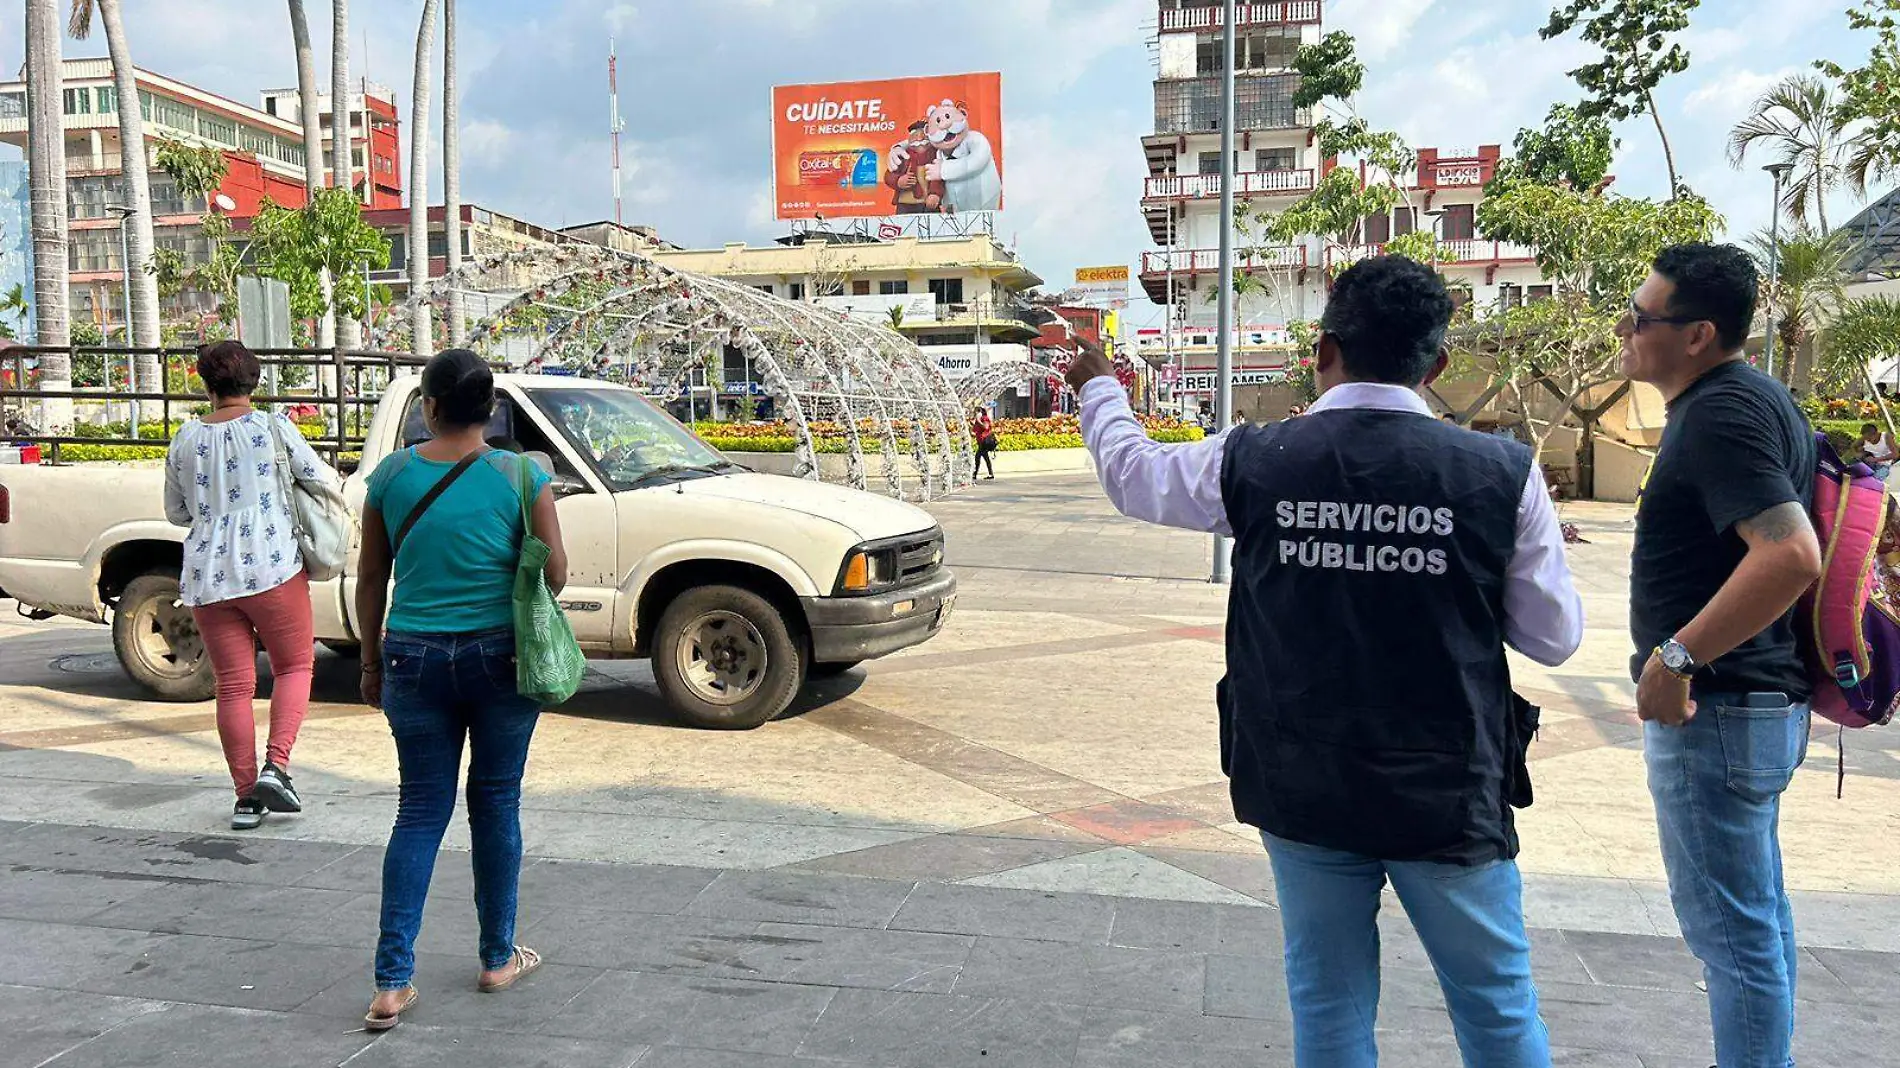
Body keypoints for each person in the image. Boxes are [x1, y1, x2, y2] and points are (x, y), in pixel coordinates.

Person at [1067, 256, 1583, 1067]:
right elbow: (1553, 636)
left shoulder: (1252, 458)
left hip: (1301, 780)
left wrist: (1102, 388)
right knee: (1495, 1007)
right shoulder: (1497, 473)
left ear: (1322, 348)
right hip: (1444, 794)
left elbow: (1134, 479)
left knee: (1329, 1002)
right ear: (1438, 364)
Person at [1623, 244, 1822, 1068]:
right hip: (1752, 709)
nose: (1626, 331)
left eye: (1643, 319)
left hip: (1720, 712)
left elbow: (1790, 554)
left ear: (1699, 334)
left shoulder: (1721, 414)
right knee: (1758, 922)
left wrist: (1674, 660)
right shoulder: (1759, 399)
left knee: (1732, 937)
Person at [355, 349, 569, 1031]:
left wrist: (368, 662)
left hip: (411, 657)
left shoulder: (390, 476)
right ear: (490, 409)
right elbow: (556, 576)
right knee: (496, 802)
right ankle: (497, 957)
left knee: (419, 812)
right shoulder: (523, 475)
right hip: (501, 657)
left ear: (432, 406)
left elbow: (370, 581)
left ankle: (392, 983)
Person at [163, 341, 333, 831]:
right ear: (254, 382)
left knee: (234, 686)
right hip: (273, 565)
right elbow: (318, 478)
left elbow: (176, 512)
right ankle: (276, 768)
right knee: (294, 666)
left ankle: (245, 799)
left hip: (209, 575)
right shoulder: (274, 428)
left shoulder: (185, 439)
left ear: (206, 383)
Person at [971, 406, 998, 480]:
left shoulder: (984, 418)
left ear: (980, 412)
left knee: (978, 457)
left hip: (984, 441)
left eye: (976, 412)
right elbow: (975, 431)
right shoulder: (978, 420)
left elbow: (986, 427)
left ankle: (975, 474)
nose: (975, 413)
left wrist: (978, 420)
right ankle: (990, 474)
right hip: (980, 441)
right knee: (985, 458)